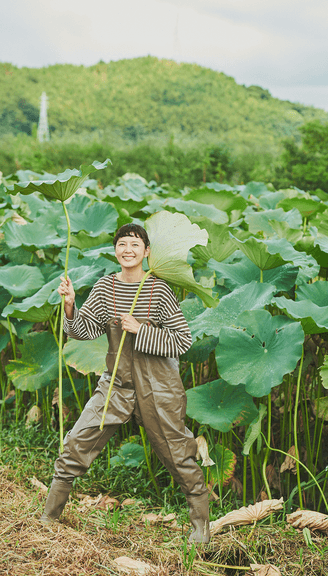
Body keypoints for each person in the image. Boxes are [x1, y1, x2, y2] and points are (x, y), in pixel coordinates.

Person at [40, 223, 210, 544]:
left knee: (176, 452)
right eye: (121, 244)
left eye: (134, 244)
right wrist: (70, 306)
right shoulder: (106, 288)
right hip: (116, 381)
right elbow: (83, 330)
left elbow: (182, 341)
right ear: (115, 250)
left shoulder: (159, 290)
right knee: (79, 439)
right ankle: (49, 519)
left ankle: (201, 527)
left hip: (158, 385)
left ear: (146, 252)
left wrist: (140, 330)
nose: (127, 249)